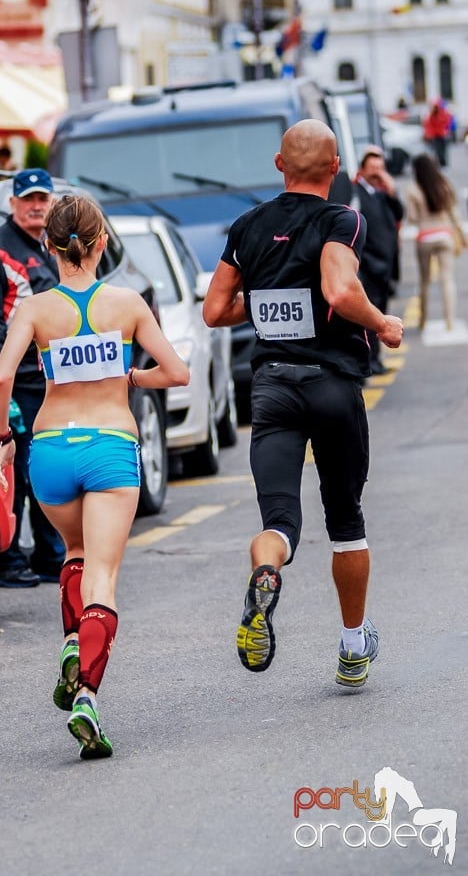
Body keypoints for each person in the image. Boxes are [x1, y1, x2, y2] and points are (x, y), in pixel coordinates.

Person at [202, 119, 403, 689]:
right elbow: (340, 290)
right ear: (336, 168)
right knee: (346, 522)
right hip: (333, 385)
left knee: (280, 522)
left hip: (273, 388)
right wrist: (382, 323)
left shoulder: (247, 227)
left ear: (278, 165)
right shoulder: (342, 219)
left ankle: (266, 573)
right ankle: (352, 646)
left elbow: (214, 311)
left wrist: (266, 301)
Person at [0, 193, 189, 758]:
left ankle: (73, 642)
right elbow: (178, 372)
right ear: (102, 242)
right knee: (103, 578)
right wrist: (131, 375)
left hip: (50, 450)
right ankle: (87, 698)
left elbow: (0, 381)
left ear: (48, 246)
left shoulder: (33, 309)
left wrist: (2, 438)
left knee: (73, 551)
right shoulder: (126, 303)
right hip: (110, 446)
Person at [0, 167, 65, 588]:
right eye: (28, 200)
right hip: (14, 379)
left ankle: (49, 556)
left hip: (48, 377)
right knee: (15, 471)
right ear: (12, 204)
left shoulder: (52, 245)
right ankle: (6, 560)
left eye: (43, 199)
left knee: (44, 468)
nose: (36, 207)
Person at [352, 148, 403, 374]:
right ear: (362, 170)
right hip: (369, 265)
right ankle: (369, 361)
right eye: (372, 169)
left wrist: (391, 190)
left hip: (385, 266)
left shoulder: (381, 194)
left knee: (381, 312)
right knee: (370, 317)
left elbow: (399, 214)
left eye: (380, 169)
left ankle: (377, 359)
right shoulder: (357, 194)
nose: (376, 173)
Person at [406, 152, 466, 332]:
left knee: (424, 281)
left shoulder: (413, 189)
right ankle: (449, 321)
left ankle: (423, 320)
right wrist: (461, 234)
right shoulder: (444, 185)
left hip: (425, 237)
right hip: (445, 235)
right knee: (447, 279)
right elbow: (453, 212)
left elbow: (413, 217)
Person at [422, 99, 452, 168]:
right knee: (438, 149)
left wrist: (446, 129)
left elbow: (447, 121)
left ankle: (443, 162)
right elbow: (428, 124)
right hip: (436, 135)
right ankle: (440, 162)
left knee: (443, 149)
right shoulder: (432, 115)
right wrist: (429, 134)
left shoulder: (442, 114)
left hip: (442, 134)